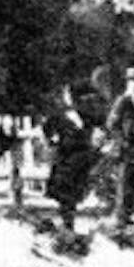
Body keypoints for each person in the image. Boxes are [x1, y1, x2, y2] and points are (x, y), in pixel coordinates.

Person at [43, 84, 100, 230]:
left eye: (74, 97)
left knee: (76, 192)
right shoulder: (58, 116)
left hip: (82, 158)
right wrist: (52, 142)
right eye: (68, 97)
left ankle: (69, 221)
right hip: (66, 158)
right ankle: (67, 223)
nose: (72, 100)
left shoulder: (85, 115)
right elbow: (46, 130)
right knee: (65, 193)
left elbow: (99, 127)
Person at [104, 67, 134, 228]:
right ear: (128, 82)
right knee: (123, 182)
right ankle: (120, 217)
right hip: (124, 148)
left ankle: (128, 215)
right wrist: (121, 140)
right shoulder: (123, 101)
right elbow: (111, 123)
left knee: (132, 182)